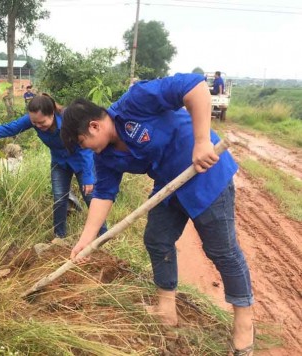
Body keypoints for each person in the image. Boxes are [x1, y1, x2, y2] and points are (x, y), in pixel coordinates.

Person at [60, 73, 254, 356]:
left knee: (221, 249)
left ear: (94, 126)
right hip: (169, 185)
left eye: (82, 142)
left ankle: (244, 323)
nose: (85, 150)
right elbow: (103, 194)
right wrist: (86, 240)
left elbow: (195, 86)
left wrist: (201, 141)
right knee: (157, 239)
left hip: (205, 173)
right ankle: (166, 308)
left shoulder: (136, 102)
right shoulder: (105, 156)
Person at [0, 94, 107, 239]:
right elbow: (10, 128)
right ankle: (59, 237)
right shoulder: (34, 119)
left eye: (42, 122)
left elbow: (85, 150)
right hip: (59, 163)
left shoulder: (68, 119)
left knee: (91, 197)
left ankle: (103, 234)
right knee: (59, 198)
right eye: (35, 123)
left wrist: (88, 176)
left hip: (80, 161)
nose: (38, 126)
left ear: (52, 113)